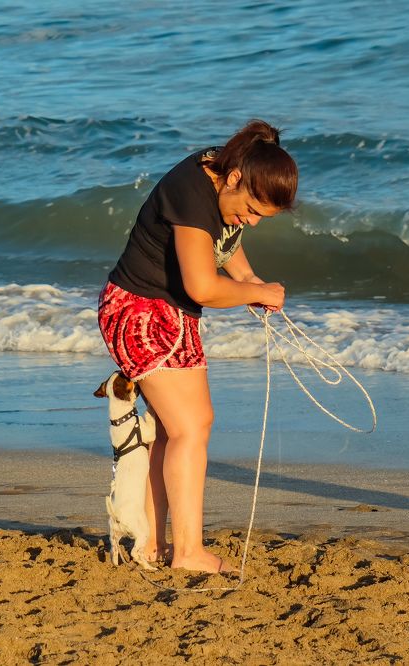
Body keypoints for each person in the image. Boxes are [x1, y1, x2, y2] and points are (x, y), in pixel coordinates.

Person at [97, 119, 298, 573]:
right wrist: (255, 293)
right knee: (191, 427)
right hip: (138, 311)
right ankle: (188, 553)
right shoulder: (191, 191)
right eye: (251, 209)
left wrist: (249, 280)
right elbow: (203, 287)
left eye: (261, 218)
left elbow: (221, 237)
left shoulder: (222, 173)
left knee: (178, 429)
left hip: (171, 312)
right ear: (235, 178)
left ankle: (151, 545)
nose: (251, 221)